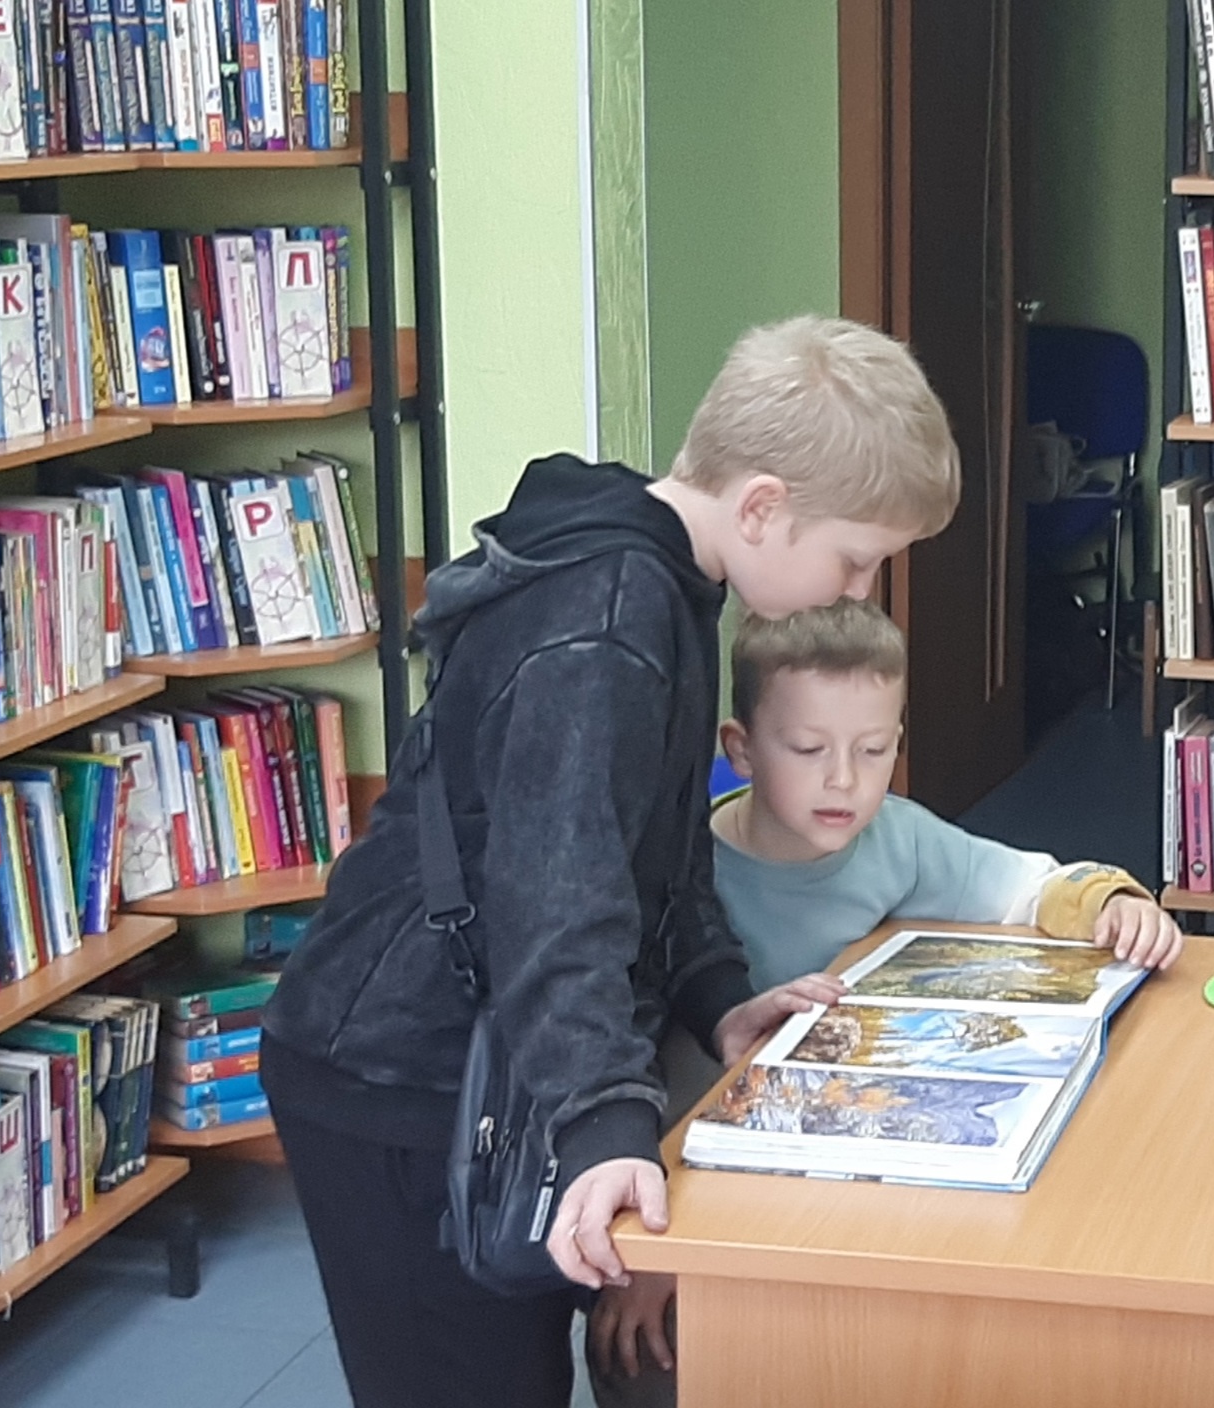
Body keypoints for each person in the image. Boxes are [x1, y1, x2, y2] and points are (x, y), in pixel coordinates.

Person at [260, 316, 960, 1408]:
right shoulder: (607, 621)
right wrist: (601, 1119)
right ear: (763, 507)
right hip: (398, 1071)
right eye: (855, 556)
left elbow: (661, 850)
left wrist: (717, 999)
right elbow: (559, 895)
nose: (861, 589)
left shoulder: (669, 577)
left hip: (489, 1053)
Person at [585, 597, 1183, 1402]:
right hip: (690, 1193)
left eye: (873, 751)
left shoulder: (896, 837)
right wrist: (652, 1255)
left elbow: (1032, 884)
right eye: (808, 749)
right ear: (741, 748)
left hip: (848, 1188)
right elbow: (629, 1090)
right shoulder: (681, 873)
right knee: (656, 1356)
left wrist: (1112, 901)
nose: (844, 779)